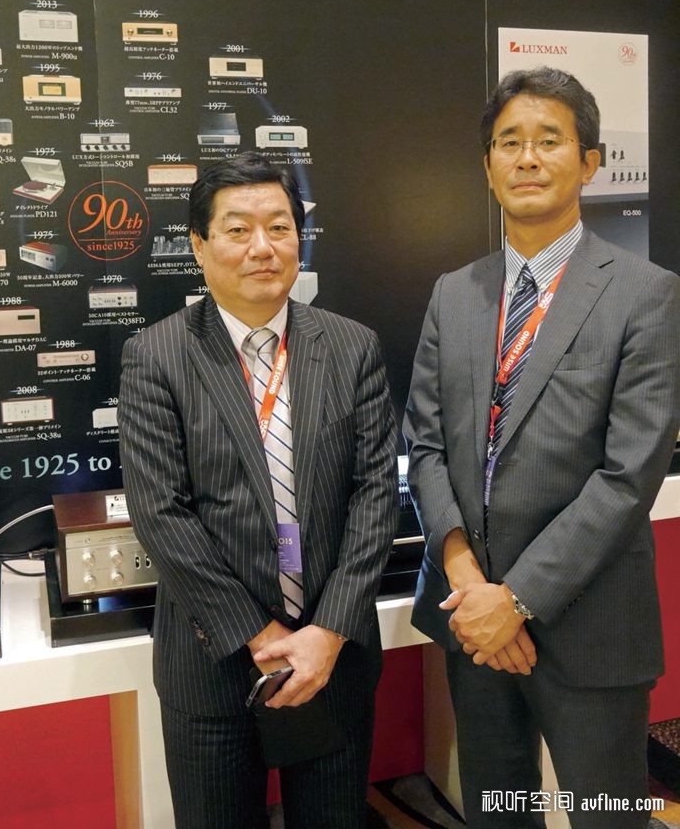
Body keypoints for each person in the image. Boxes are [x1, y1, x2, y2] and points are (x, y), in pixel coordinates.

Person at [404, 67, 680, 828]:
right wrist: (468, 580)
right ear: (487, 166)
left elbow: (628, 476)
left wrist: (516, 600)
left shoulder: (646, 293)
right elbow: (425, 444)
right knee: (500, 810)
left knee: (607, 815)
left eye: (548, 140)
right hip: (472, 622)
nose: (527, 158)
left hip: (589, 627)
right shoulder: (455, 294)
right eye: (509, 142)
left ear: (589, 162)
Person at [118, 152, 399, 829]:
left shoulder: (352, 347)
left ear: (299, 239)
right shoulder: (156, 356)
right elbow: (162, 514)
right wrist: (262, 637)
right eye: (238, 230)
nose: (262, 247)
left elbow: (375, 496)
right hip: (212, 664)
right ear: (199, 245)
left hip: (332, 656)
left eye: (279, 227)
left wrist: (326, 633)